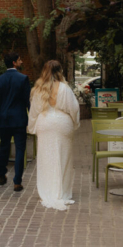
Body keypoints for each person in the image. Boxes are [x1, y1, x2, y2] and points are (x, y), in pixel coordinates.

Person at [27, 60, 80, 211]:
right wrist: (75, 123)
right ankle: (61, 192)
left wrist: (32, 128)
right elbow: (74, 109)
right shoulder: (64, 88)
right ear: (60, 71)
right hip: (62, 124)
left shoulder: (38, 89)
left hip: (45, 123)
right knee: (63, 158)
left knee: (46, 158)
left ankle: (48, 190)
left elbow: (34, 112)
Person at [0, 52, 31, 192]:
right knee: (20, 149)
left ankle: (2, 175)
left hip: (4, 119)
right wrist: (32, 119)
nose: (21, 61)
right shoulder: (23, 79)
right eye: (19, 59)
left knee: (4, 147)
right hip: (19, 119)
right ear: (14, 62)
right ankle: (17, 182)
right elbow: (28, 102)